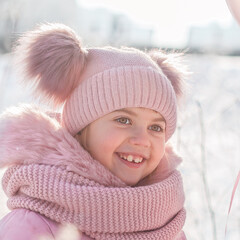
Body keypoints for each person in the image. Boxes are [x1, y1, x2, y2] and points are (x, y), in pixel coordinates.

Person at [0, 23, 188, 240]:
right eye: (123, 120)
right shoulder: (34, 226)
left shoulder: (165, 223)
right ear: (80, 130)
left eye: (155, 127)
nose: (142, 140)